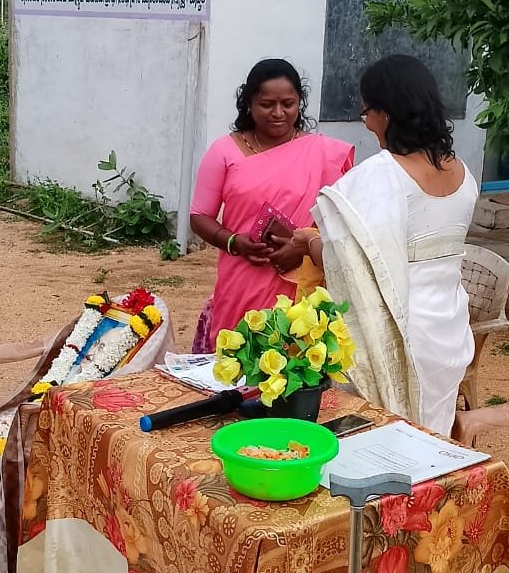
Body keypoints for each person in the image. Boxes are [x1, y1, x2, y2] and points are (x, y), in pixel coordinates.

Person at [292, 54, 478, 435]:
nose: (367, 123)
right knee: (431, 439)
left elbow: (349, 265)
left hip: (398, 335)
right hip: (448, 331)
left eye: (366, 113)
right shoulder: (464, 173)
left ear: (386, 114)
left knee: (381, 440)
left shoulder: (381, 176)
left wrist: (308, 243)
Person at [189, 59, 354, 350]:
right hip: (242, 276)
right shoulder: (225, 151)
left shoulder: (322, 152)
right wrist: (234, 242)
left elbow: (341, 218)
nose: (278, 113)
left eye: (288, 103)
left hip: (301, 278)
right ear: (249, 103)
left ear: (299, 103)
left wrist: (302, 248)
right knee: (239, 361)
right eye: (267, 104)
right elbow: (200, 216)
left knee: (297, 367)